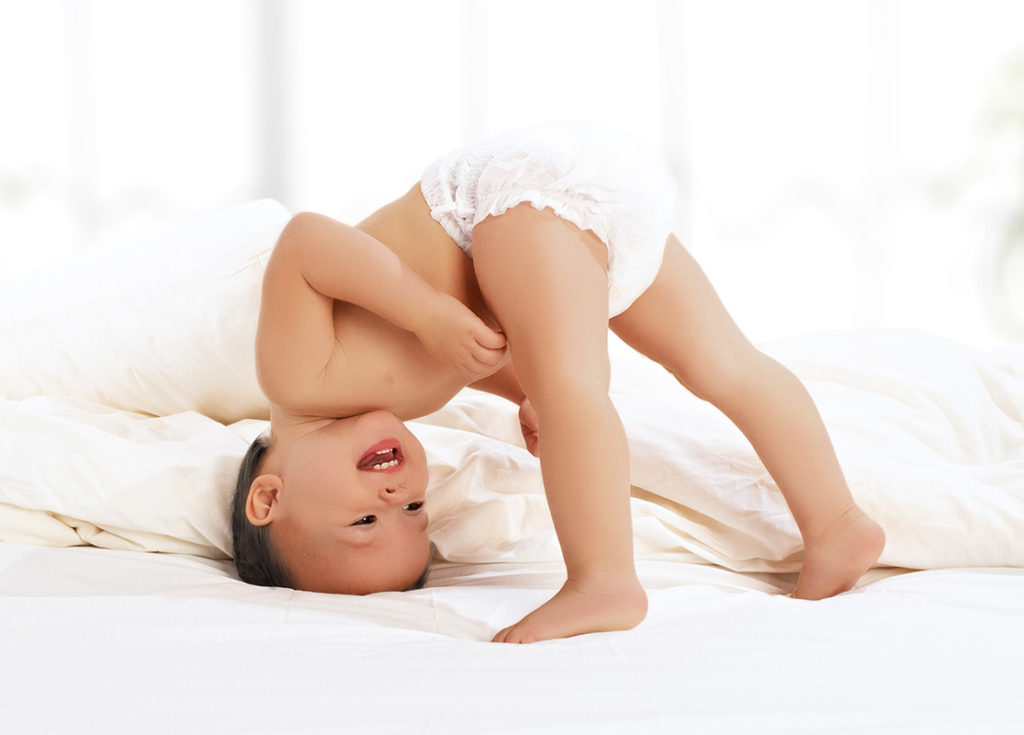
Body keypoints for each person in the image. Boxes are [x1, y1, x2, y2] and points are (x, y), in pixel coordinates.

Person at [231, 121, 886, 644]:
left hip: (502, 201)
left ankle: (604, 579)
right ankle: (836, 521)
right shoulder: (394, 400)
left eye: (364, 518)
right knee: (724, 364)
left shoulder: (295, 381)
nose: (397, 494)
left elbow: (305, 244)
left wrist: (426, 313)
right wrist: (525, 390)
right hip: (587, 205)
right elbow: (480, 350)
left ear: (269, 497)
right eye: (412, 512)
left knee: (574, 386)